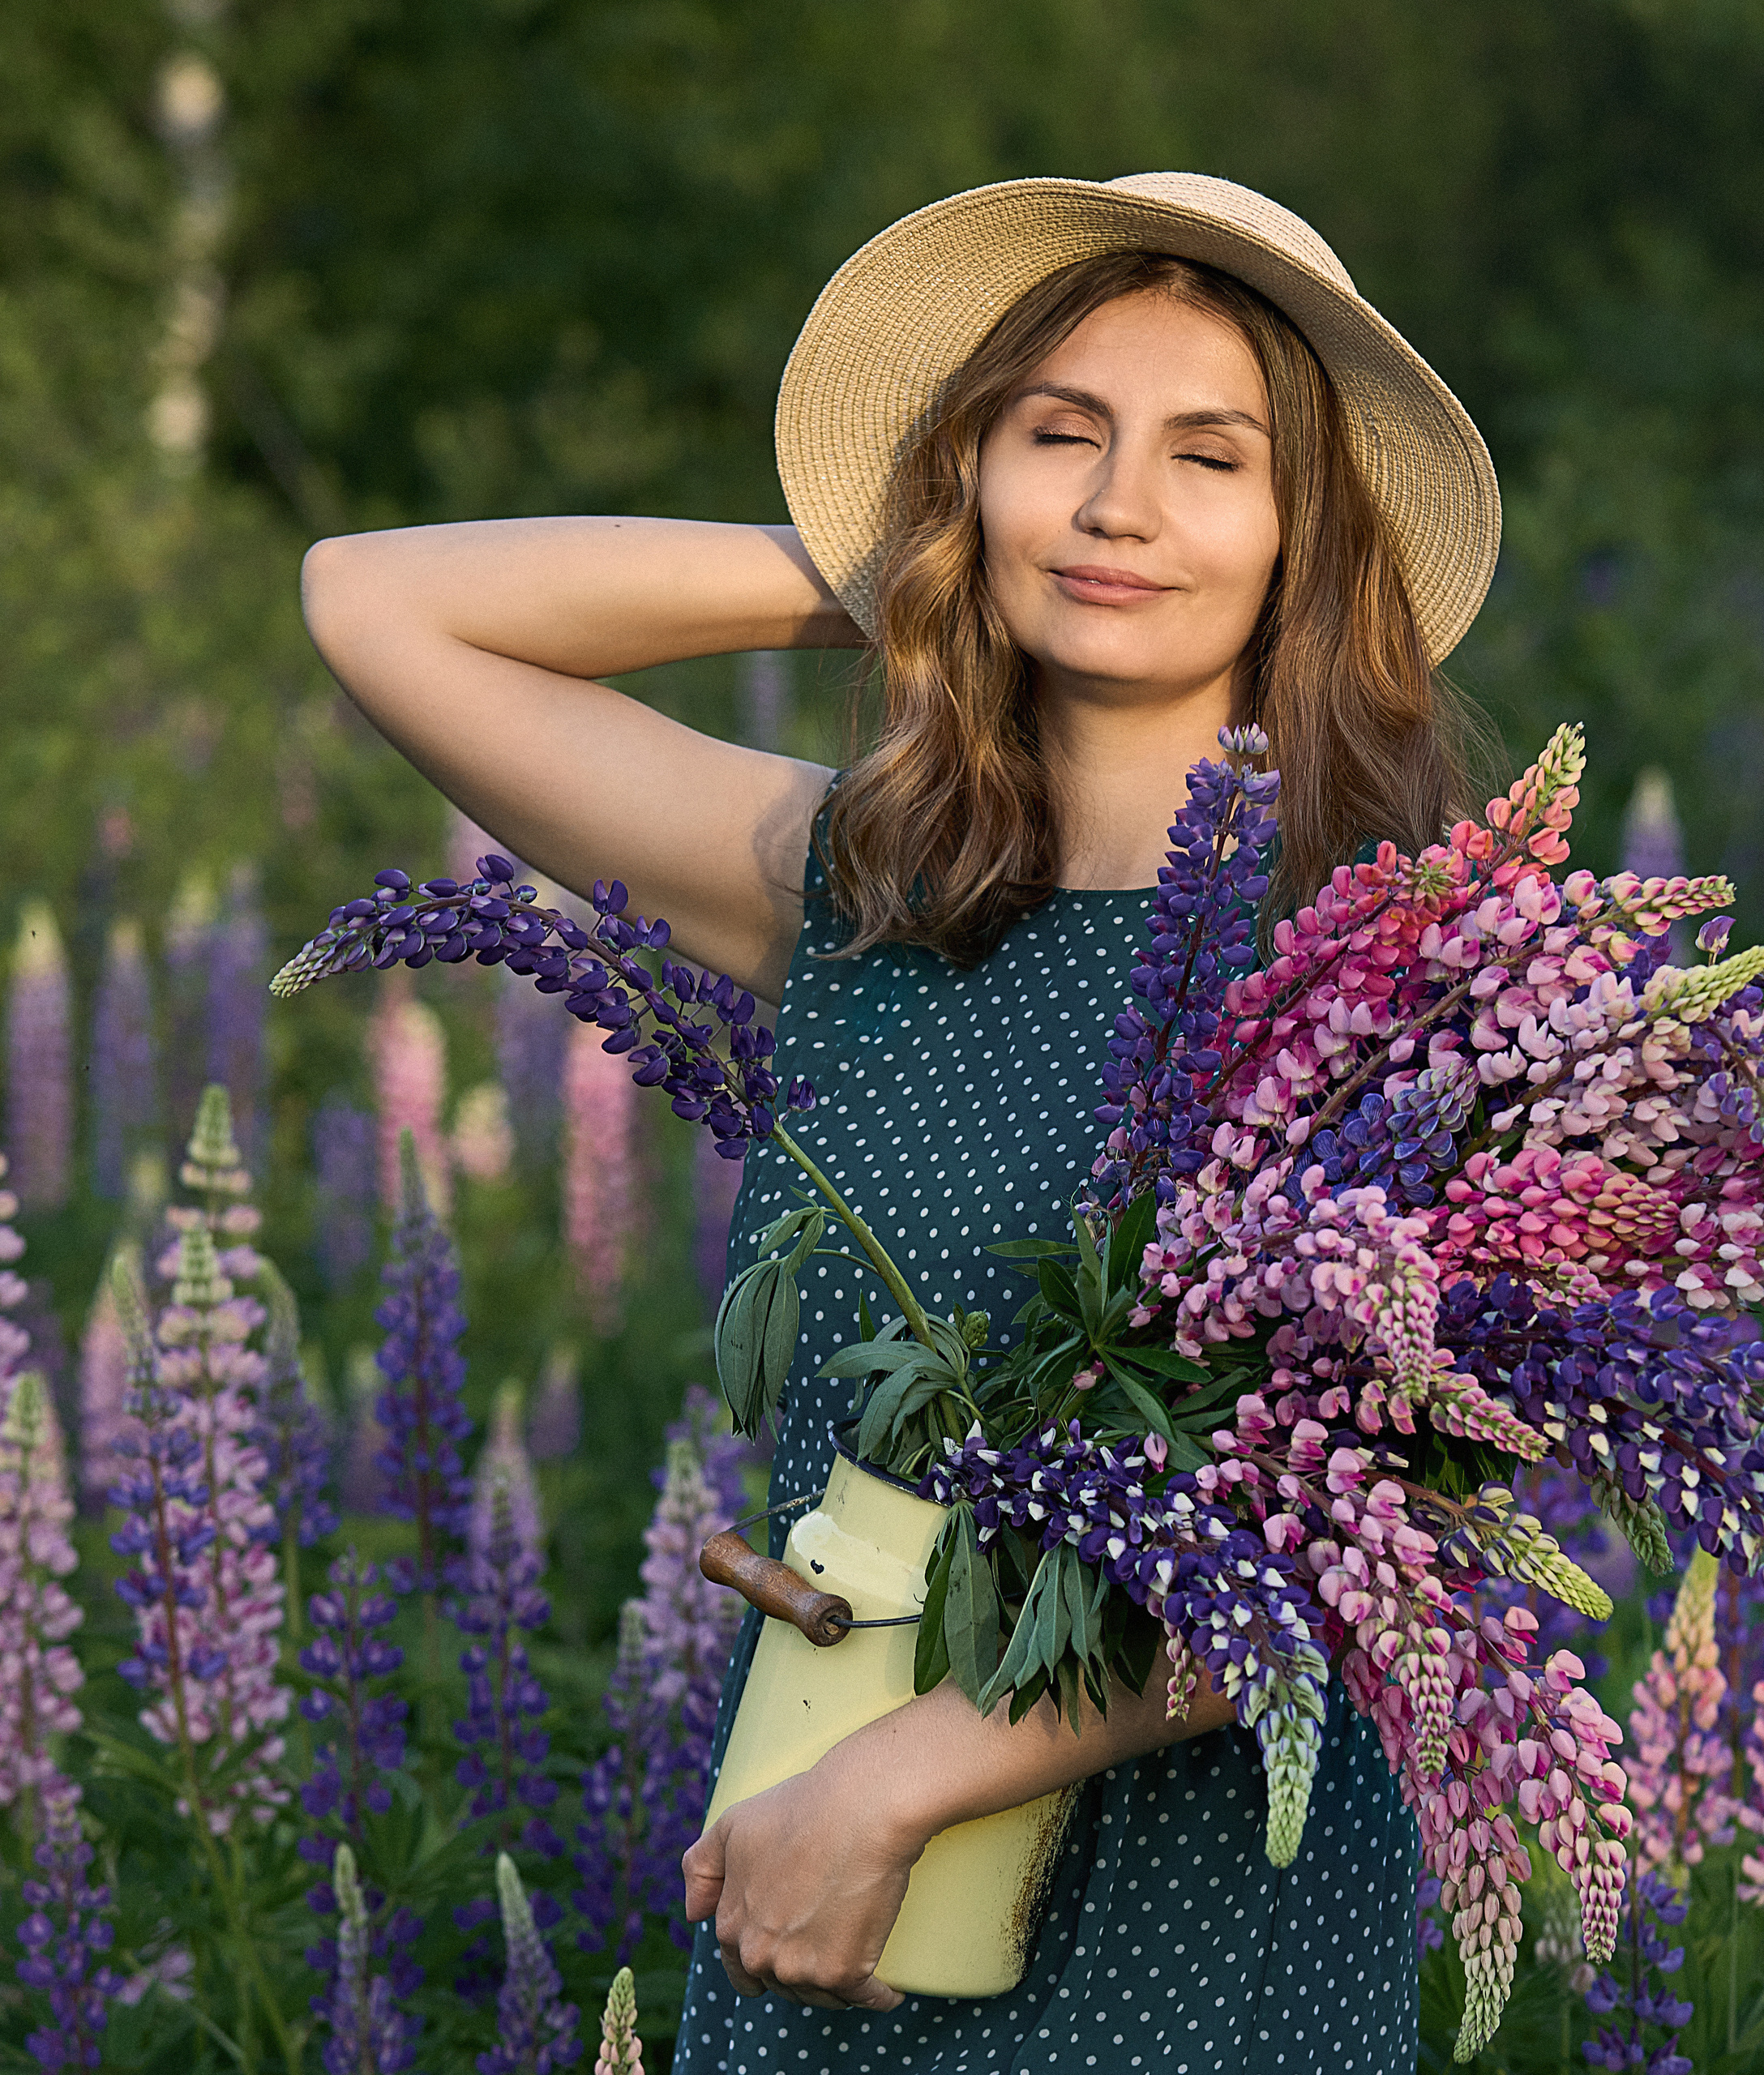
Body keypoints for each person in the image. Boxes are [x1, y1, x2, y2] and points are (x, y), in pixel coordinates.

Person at [302, 171, 1502, 2075]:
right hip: (822, 1872)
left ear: (1304, 536)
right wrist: (900, 542)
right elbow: (375, 597)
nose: (1115, 506)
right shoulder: (862, 876)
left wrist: (901, 1782)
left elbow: (1396, 1528)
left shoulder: (1396, 957)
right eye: (1057, 437)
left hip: (1185, 1910)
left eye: (1210, 457)